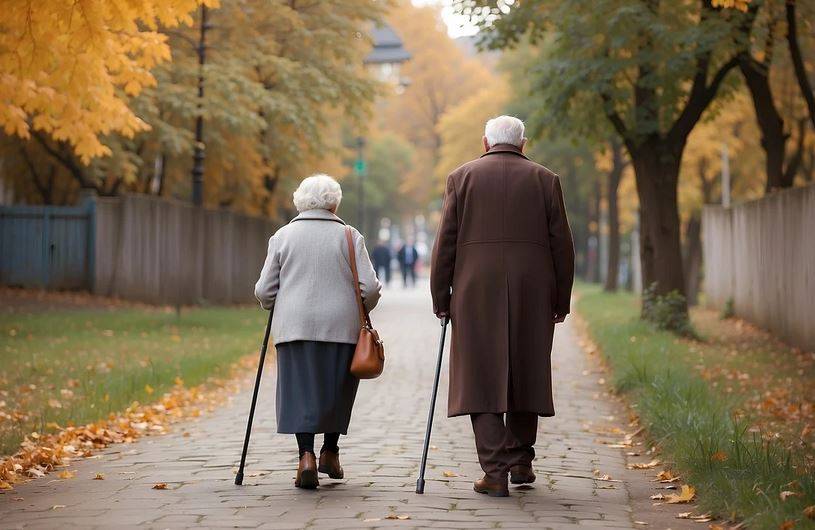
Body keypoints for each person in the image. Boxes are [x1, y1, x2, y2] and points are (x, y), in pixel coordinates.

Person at [430, 116, 575, 497]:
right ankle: (521, 459)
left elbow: (446, 241)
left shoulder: (461, 178)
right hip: (533, 290)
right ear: (523, 144)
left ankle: (495, 470)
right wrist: (562, 298)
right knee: (527, 368)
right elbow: (562, 244)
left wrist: (440, 297)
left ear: (485, 142)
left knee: (480, 373)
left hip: (475, 290)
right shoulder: (546, 180)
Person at [254, 174, 382, 490]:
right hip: (341, 327)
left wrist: (273, 303)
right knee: (336, 390)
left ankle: (305, 456)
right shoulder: (351, 237)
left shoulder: (282, 236)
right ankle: (331, 452)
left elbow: (264, 289)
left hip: (294, 327)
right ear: (334, 202)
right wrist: (360, 309)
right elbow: (370, 287)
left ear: (300, 200)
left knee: (299, 391)